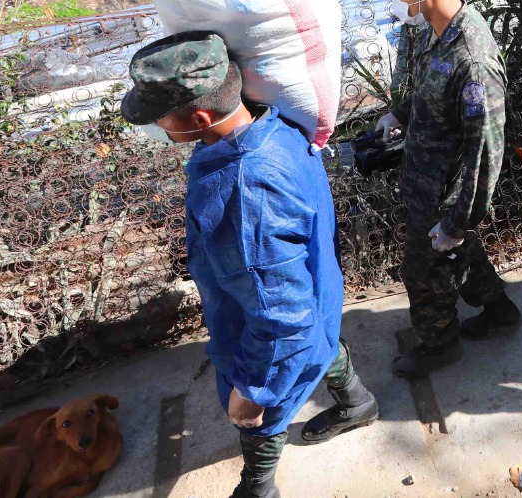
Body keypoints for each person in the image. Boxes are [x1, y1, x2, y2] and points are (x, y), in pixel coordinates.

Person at [121, 32, 377, 498]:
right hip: (317, 289)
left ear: (199, 117)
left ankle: (258, 486)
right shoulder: (276, 126)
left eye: (161, 118)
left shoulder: (246, 194)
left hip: (263, 318)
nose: (160, 126)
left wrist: (254, 391)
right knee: (318, 340)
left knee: (258, 401)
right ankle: (358, 402)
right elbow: (296, 304)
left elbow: (280, 318)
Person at [370, 0, 517, 378]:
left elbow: (486, 150)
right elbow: (434, 89)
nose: (396, 3)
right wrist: (399, 112)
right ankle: (499, 311)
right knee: (459, 255)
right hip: (426, 178)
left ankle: (438, 346)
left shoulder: (473, 58)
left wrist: (458, 220)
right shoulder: (438, 31)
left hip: (445, 190)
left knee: (422, 269)